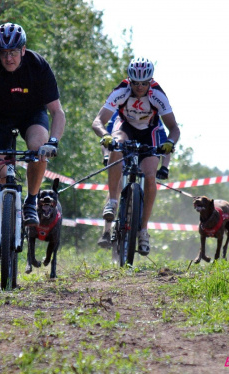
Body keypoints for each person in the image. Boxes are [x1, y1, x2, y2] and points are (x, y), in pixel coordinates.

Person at [0, 23, 66, 276]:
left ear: (23, 49)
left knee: (38, 146)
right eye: (3, 52)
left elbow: (57, 112)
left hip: (32, 116)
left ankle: (31, 200)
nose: (8, 57)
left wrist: (53, 142)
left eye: (13, 52)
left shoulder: (38, 66)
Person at [92, 57, 180, 255]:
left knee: (150, 176)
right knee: (117, 146)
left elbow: (174, 128)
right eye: (135, 83)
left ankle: (143, 230)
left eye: (144, 83)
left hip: (150, 132)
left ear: (151, 81)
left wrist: (169, 143)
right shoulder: (121, 91)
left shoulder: (158, 94)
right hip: (126, 128)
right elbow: (98, 121)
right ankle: (113, 203)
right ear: (129, 80)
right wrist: (105, 136)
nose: (139, 87)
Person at [97, 112, 171, 248]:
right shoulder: (118, 116)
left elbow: (166, 145)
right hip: (123, 152)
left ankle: (143, 230)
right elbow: (107, 139)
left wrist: (164, 167)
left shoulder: (154, 120)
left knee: (150, 179)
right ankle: (106, 231)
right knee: (118, 183)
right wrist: (107, 156)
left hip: (145, 153)